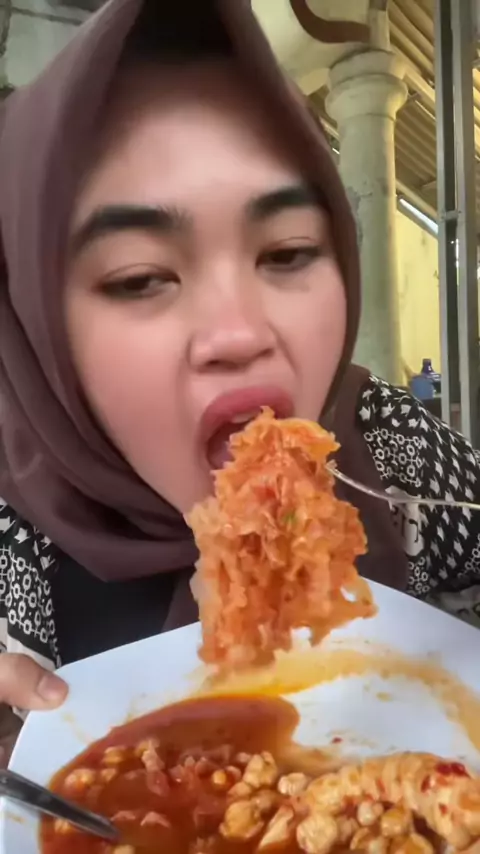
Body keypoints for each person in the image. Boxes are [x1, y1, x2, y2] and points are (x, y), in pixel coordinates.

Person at [0, 0, 479, 759]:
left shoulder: (390, 447)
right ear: (38, 326)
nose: (240, 332)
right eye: (140, 276)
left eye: (288, 253)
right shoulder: (14, 531)